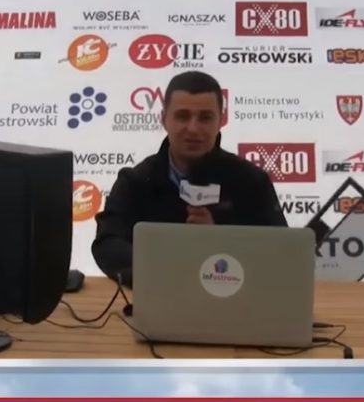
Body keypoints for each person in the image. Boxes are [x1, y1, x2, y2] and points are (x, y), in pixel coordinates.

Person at [91, 71, 287, 287]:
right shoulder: (134, 181)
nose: (193, 129)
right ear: (164, 119)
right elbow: (107, 244)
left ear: (221, 120)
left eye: (205, 118)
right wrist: (172, 265)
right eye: (183, 116)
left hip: (235, 300)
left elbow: (282, 253)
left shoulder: (252, 182)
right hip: (159, 296)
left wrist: (218, 241)